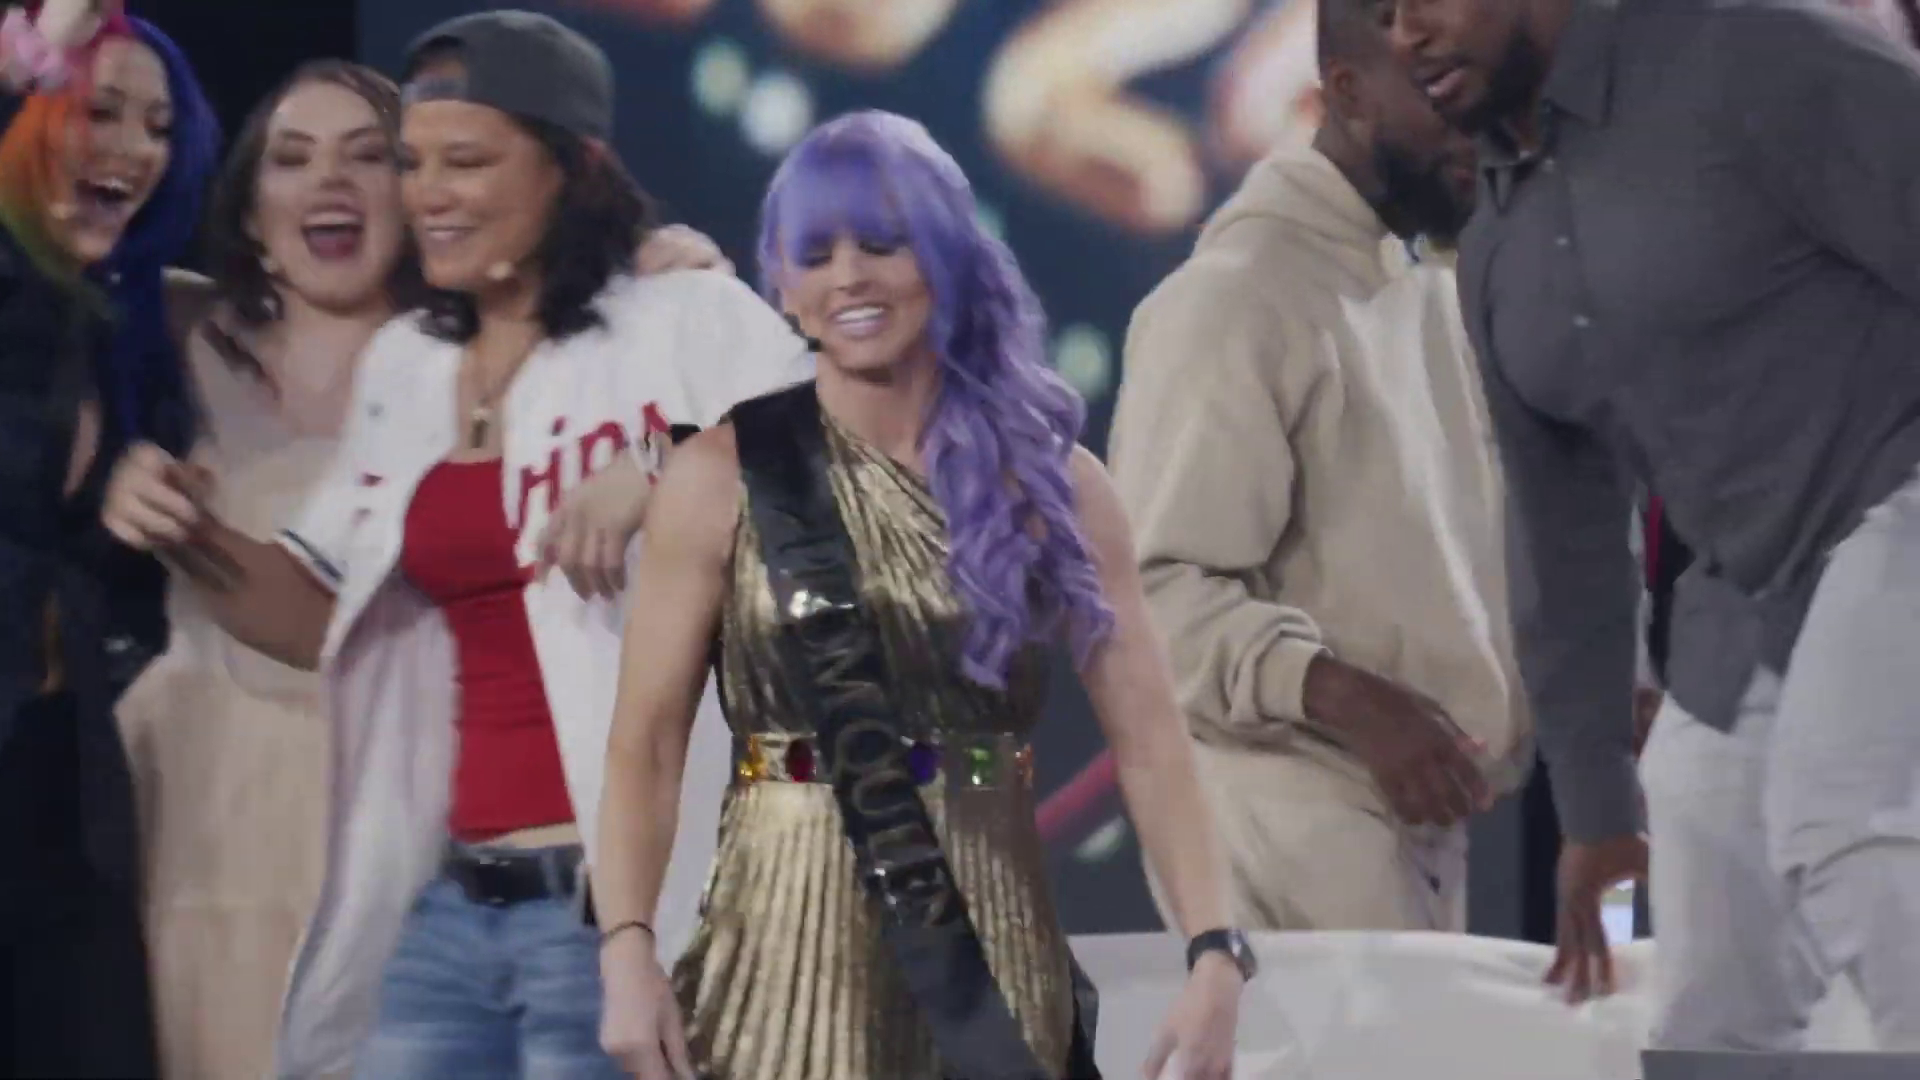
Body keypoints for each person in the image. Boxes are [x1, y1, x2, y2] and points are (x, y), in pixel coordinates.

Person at [101, 11, 811, 1079]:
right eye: (414, 163)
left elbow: (857, 467)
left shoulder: (683, 316)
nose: (426, 194)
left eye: (467, 161)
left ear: (575, 168)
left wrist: (668, 463)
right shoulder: (410, 364)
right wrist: (187, 532)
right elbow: (315, 616)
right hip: (443, 911)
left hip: (629, 910)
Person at [591, 109, 1248, 1080]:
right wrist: (627, 947)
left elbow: (1151, 737)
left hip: (991, 954)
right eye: (816, 254)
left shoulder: (1055, 485)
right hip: (777, 952)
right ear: (782, 283)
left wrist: (1214, 950)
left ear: (946, 254)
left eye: (881, 243)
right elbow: (645, 743)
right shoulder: (719, 475)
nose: (848, 276)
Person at [1390, 0, 1920, 1050]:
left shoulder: (1752, 50)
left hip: (1899, 494)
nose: (1405, 32)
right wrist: (1595, 814)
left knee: (1845, 813)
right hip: (1748, 589)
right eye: (1385, 12)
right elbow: (1566, 542)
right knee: (1702, 925)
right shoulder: (1495, 250)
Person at [1105, 0, 1525, 933]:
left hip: (1409, 826)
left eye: (1493, 97)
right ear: (1345, 91)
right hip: (1281, 829)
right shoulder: (1235, 297)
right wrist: (1345, 696)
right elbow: (1149, 599)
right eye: (1445, 97)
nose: (1485, 133)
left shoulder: (1432, 278)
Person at [0, 2, 218, 1074]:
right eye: (99, 110)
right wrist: (32, 58)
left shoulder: (116, 329)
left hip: (57, 777)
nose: (134, 147)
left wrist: (618, 248)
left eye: (159, 126)